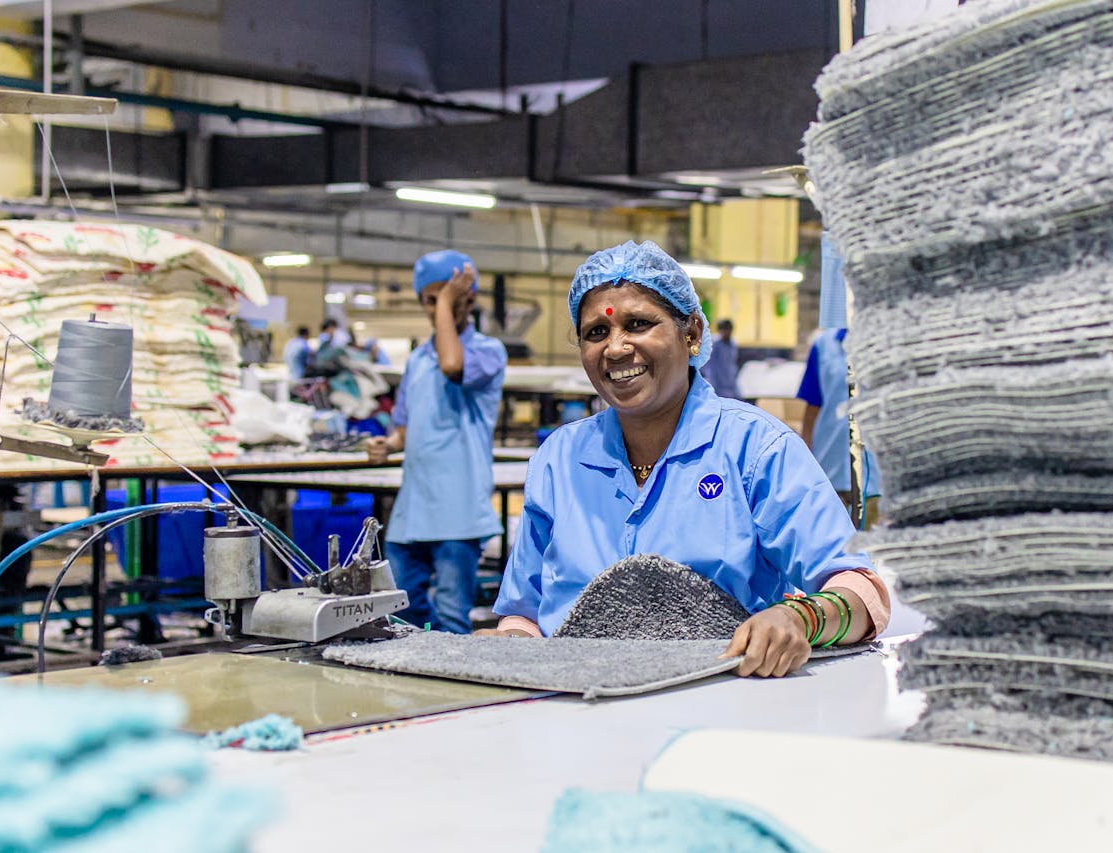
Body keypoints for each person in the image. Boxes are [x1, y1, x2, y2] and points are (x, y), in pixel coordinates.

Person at [483, 241, 889, 677]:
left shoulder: (755, 448)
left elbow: (859, 590)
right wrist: (508, 642)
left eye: (638, 324)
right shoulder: (558, 461)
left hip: (715, 706)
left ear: (692, 333)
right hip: (578, 708)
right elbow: (524, 613)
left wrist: (799, 619)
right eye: (596, 333)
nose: (616, 348)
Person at [365, 250, 506, 634]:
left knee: (449, 617)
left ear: (469, 299)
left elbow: (453, 365)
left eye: (447, 297)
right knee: (399, 613)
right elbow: (407, 427)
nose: (438, 308)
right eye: (430, 300)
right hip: (413, 509)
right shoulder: (417, 360)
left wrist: (444, 303)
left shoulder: (488, 352)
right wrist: (389, 444)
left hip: (458, 512)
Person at [797, 327, 881, 529]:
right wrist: (805, 461)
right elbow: (812, 410)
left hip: (876, 477)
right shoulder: (823, 345)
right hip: (829, 471)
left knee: (873, 553)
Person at [699, 318, 740, 398]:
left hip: (729, 384)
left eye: (729, 330)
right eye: (724, 330)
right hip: (715, 383)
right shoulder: (713, 343)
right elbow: (705, 364)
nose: (727, 333)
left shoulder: (732, 343)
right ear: (720, 331)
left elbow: (732, 363)